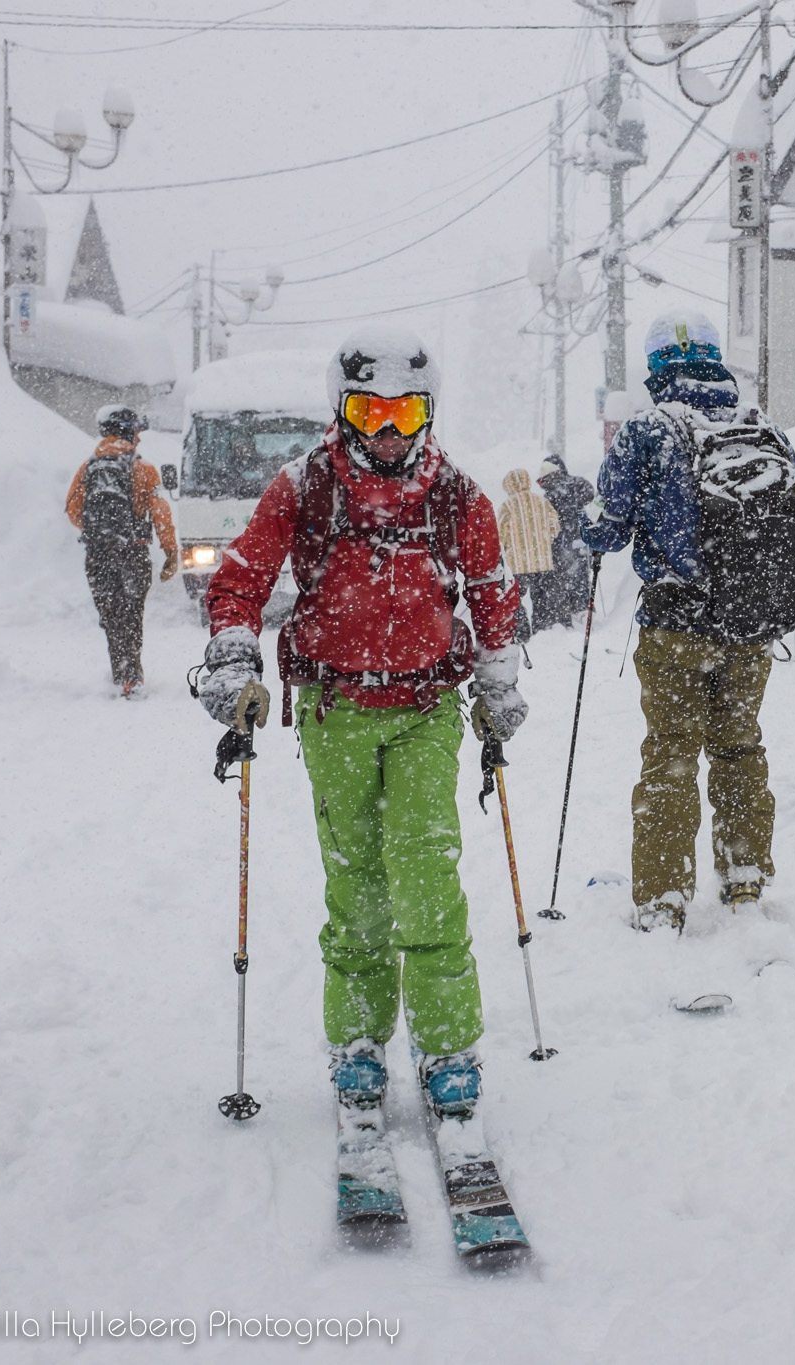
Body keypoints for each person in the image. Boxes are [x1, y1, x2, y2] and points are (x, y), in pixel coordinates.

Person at [190, 324, 526, 1121]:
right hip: (335, 708)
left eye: (405, 415)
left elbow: (491, 589)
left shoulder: (456, 494)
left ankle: (447, 1046)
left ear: (428, 414)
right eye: (370, 413)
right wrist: (236, 657)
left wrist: (498, 679)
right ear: (342, 411)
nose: (386, 432)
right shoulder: (305, 486)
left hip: (424, 707)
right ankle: (360, 1044)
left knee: (425, 872)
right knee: (358, 884)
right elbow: (239, 579)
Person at [584, 311, 795, 932]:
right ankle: (744, 876)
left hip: (675, 624)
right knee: (739, 747)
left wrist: (594, 530)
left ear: (655, 369)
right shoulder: (761, 428)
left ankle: (664, 900)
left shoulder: (648, 429)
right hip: (749, 629)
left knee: (671, 755)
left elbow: (608, 528)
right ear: (718, 361)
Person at [64, 402, 177, 697]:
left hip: (98, 556)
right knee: (131, 615)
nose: (139, 437)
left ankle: (120, 673)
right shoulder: (144, 469)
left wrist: (101, 534)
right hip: (134, 553)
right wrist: (169, 551)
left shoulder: (88, 468)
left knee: (112, 617)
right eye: (137, 431)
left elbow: (73, 509)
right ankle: (133, 677)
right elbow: (161, 511)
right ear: (129, 432)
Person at [494, 467, 562, 643]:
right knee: (542, 598)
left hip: (518, 563)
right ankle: (543, 629)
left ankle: (522, 632)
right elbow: (555, 526)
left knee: (514, 599)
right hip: (542, 561)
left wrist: (510, 546)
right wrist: (544, 540)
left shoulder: (507, 506)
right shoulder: (541, 501)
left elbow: (500, 534)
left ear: (508, 486)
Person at [534, 454, 595, 628]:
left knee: (560, 582)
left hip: (559, 545)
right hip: (581, 541)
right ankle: (583, 613)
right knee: (581, 578)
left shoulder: (550, 497)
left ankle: (565, 620)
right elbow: (593, 502)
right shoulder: (580, 484)